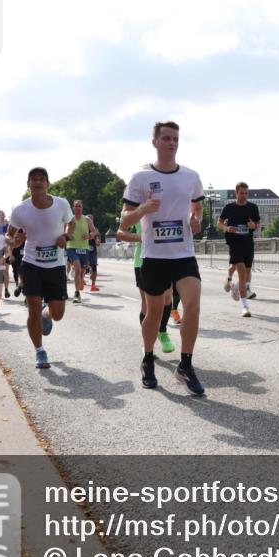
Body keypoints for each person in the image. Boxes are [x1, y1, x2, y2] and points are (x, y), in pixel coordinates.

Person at [119, 120, 205, 395]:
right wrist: (143, 209)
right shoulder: (140, 178)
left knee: (192, 305)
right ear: (155, 142)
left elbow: (198, 206)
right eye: (166, 138)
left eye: (175, 138)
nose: (171, 142)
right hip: (154, 256)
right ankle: (147, 359)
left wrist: (196, 219)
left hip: (183, 254)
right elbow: (124, 220)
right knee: (155, 313)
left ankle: (186, 364)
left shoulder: (190, 176)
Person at [7, 167, 73, 369]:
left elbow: (69, 224)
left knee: (58, 314)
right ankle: (40, 351)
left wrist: (65, 237)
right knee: (33, 307)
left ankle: (47, 314)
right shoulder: (21, 210)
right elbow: (10, 236)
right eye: (33, 179)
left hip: (55, 265)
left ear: (47, 183)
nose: (37, 182)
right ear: (28, 184)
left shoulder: (61, 204)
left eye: (41, 179)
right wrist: (15, 241)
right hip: (32, 263)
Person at [117, 223, 176, 353]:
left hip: (165, 259)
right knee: (146, 303)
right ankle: (148, 343)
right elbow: (121, 232)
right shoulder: (138, 207)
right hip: (142, 260)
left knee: (167, 297)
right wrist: (141, 237)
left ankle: (162, 332)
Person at [218, 182, 261, 317]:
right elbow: (219, 222)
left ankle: (236, 285)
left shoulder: (253, 207)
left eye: (246, 193)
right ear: (236, 193)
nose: (244, 196)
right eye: (241, 193)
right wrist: (226, 228)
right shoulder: (229, 208)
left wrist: (253, 225)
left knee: (248, 272)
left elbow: (258, 224)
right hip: (234, 243)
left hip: (248, 243)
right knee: (242, 272)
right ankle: (245, 307)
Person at [66, 200, 100, 304]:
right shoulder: (69, 219)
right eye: (75, 206)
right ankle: (77, 294)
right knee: (77, 268)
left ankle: (79, 286)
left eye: (79, 206)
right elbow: (65, 231)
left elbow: (95, 231)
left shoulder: (87, 219)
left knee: (81, 272)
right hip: (72, 247)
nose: (77, 208)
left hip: (84, 249)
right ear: (73, 208)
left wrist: (90, 236)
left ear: (82, 208)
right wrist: (68, 235)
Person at [0, 210, 12, 297]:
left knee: (6, 270)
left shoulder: (8, 226)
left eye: (2, 215)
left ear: (4, 216)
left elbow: (11, 237)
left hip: (6, 250)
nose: (0, 217)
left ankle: (6, 290)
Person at [86, 214, 101, 292]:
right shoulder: (83, 228)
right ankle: (81, 281)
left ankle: (93, 285)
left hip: (92, 251)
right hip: (84, 250)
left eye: (92, 219)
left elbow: (98, 238)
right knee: (84, 267)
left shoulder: (95, 229)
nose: (90, 221)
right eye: (89, 219)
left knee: (94, 267)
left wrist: (97, 240)